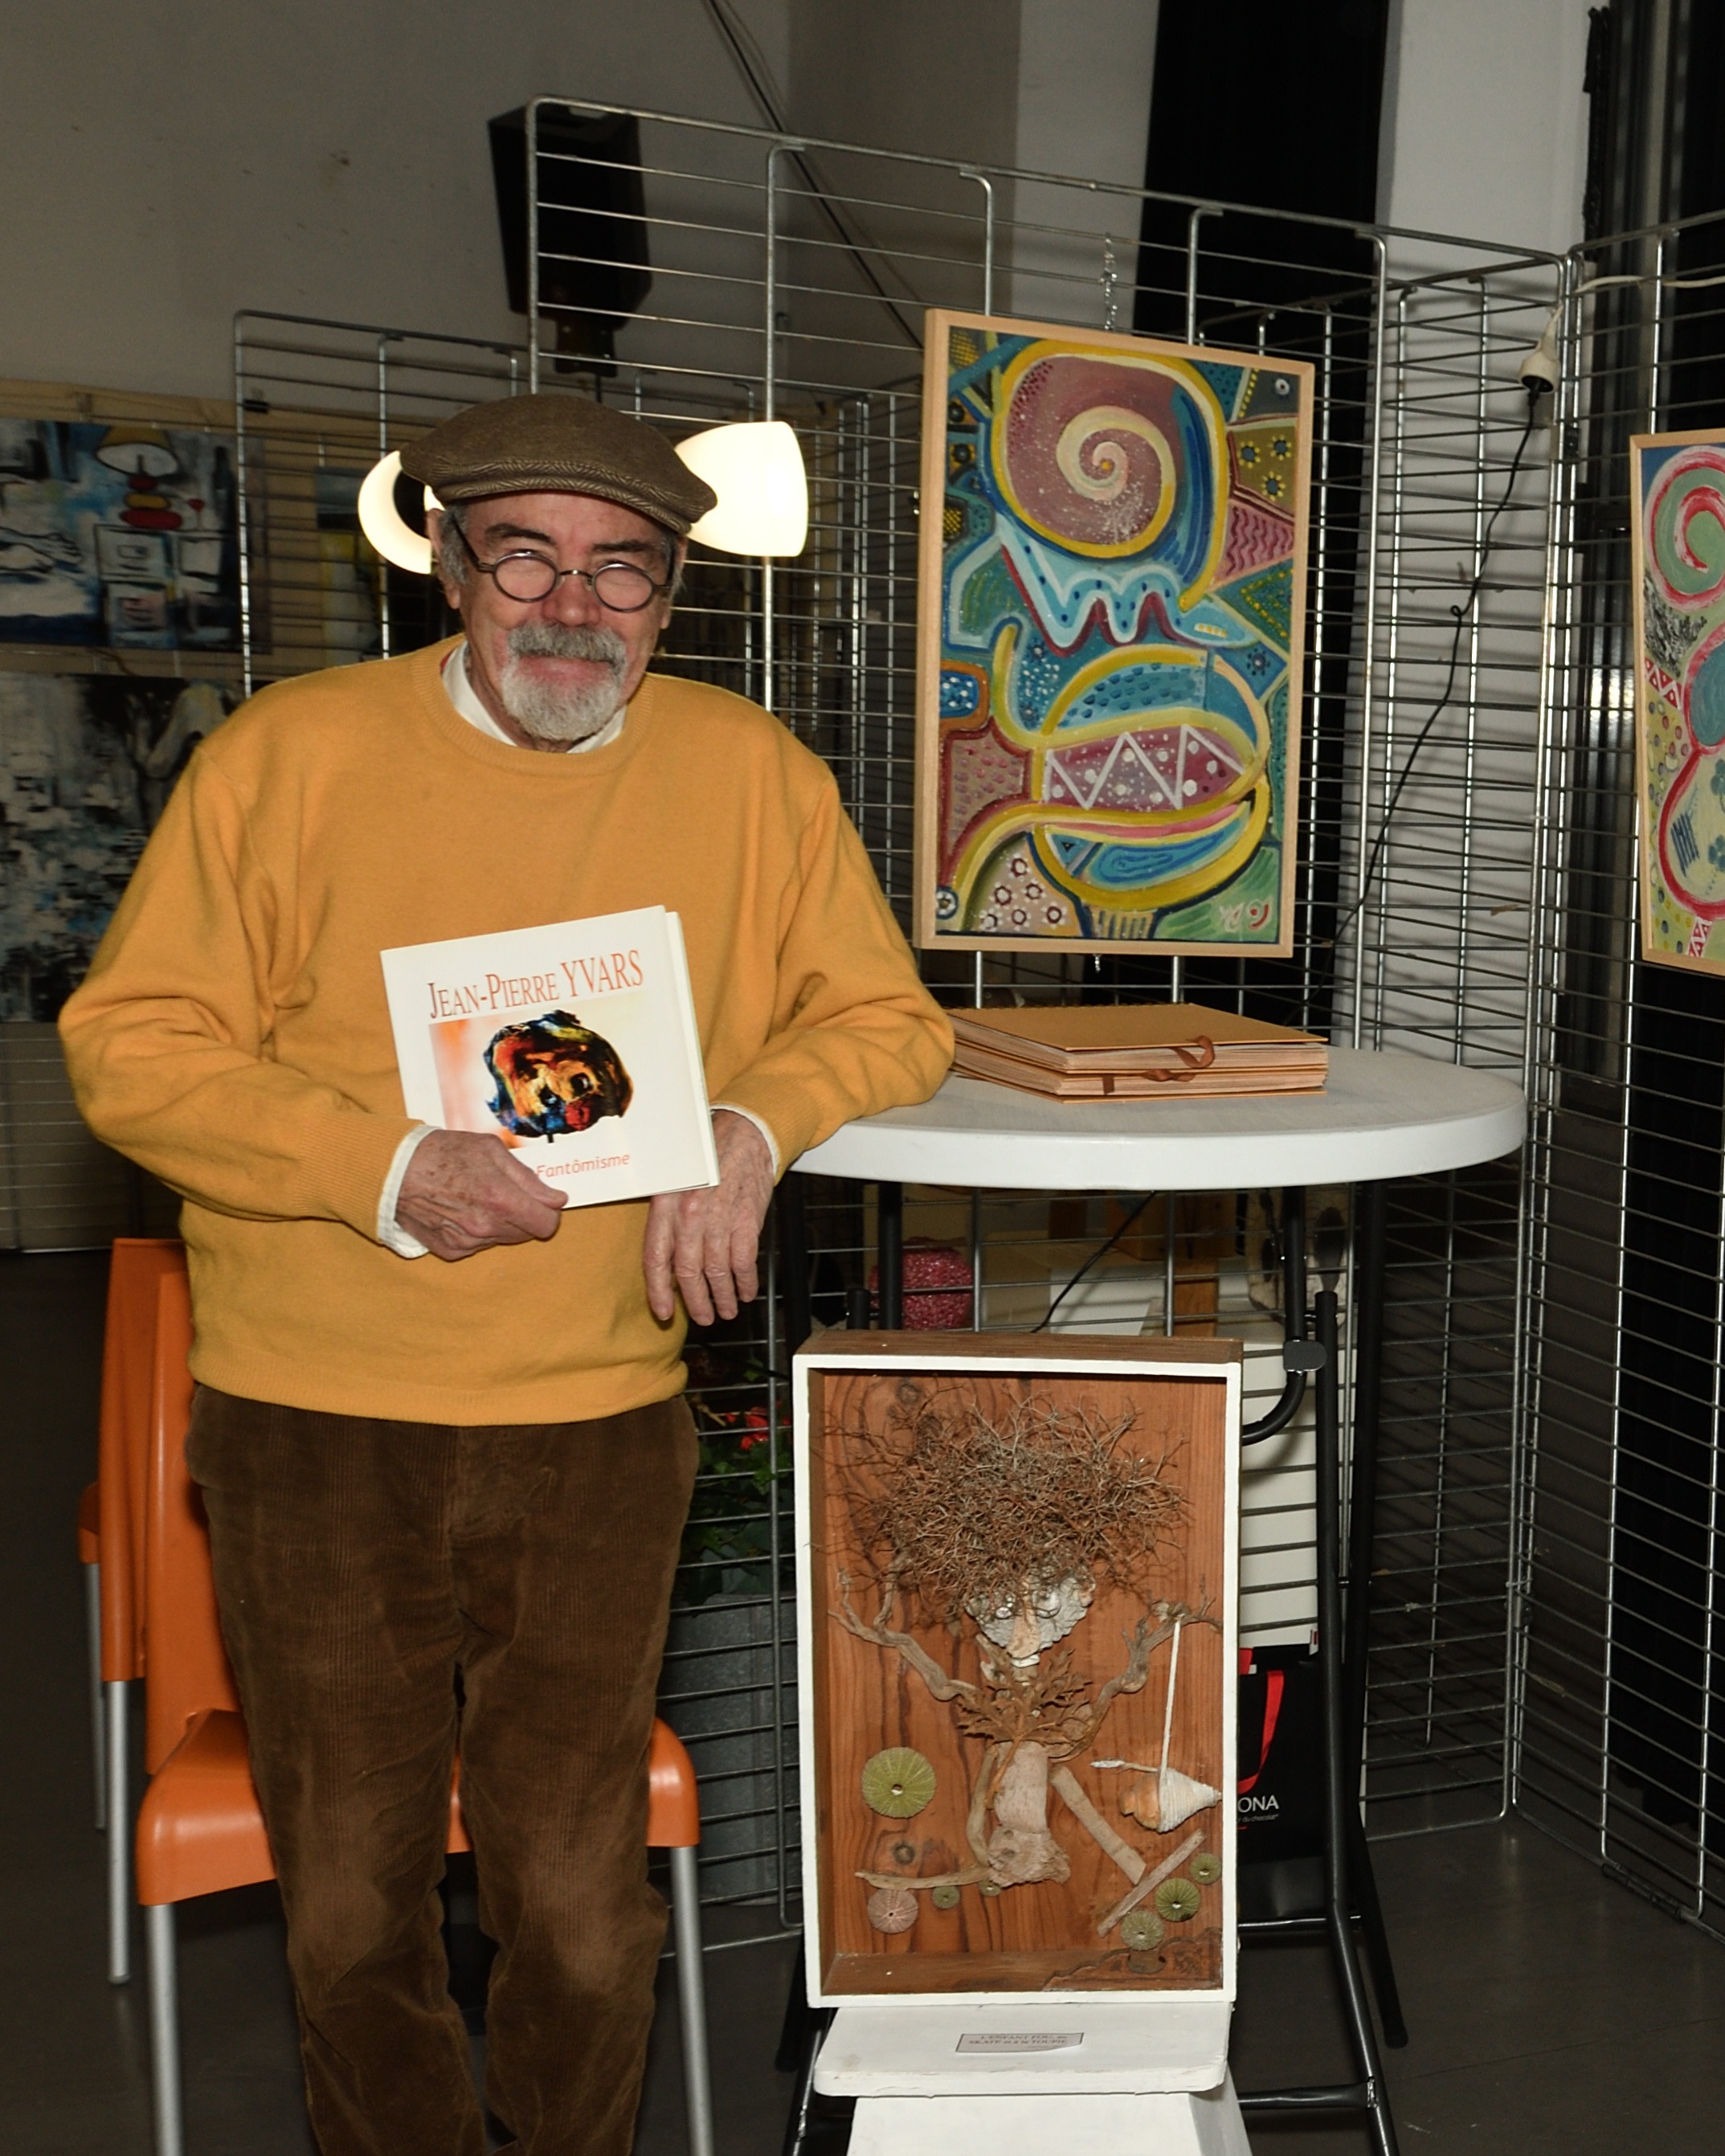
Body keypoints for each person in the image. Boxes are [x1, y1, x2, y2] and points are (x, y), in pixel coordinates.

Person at [60, 392, 953, 2156]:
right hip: (317, 1422)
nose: (571, 603)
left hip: (599, 1426)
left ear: (673, 591)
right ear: (450, 567)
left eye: (621, 567)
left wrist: (755, 1124)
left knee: (581, 1913)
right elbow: (131, 1047)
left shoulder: (751, 773)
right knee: (344, 1910)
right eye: (526, 554)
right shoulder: (287, 756)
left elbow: (887, 1018)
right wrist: (384, 1165)